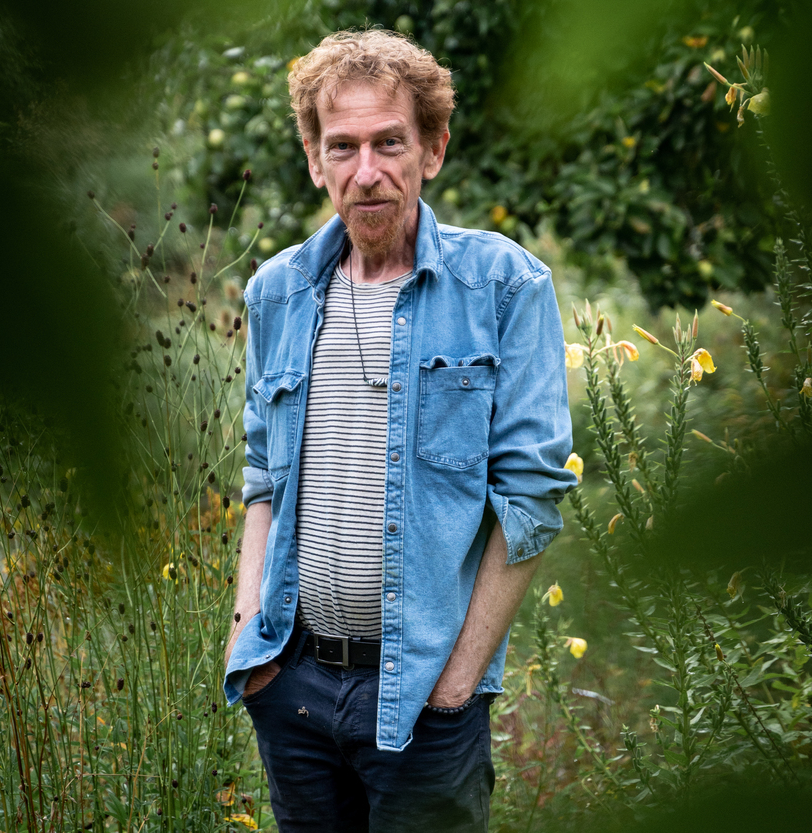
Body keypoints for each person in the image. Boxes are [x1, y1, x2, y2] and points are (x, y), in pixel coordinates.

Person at [224, 29, 577, 833]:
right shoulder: (277, 292)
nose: (366, 171)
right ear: (315, 160)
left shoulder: (502, 285)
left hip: (423, 701)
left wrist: (455, 685)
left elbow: (531, 497)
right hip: (294, 686)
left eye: (389, 142)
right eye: (342, 147)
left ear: (433, 149)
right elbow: (262, 478)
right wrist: (249, 641)